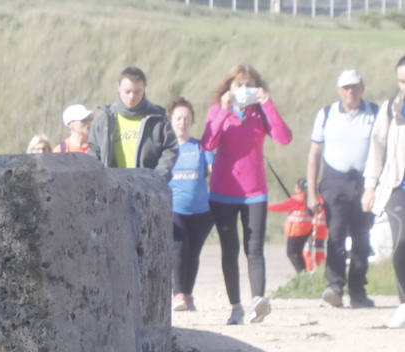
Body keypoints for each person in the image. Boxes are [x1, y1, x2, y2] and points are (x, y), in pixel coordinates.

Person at [202, 63, 293, 325]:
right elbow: (207, 143)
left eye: (248, 85)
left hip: (255, 192)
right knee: (229, 249)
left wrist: (268, 104)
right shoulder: (218, 111)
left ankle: (258, 302)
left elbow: (284, 138)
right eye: (238, 85)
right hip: (223, 192)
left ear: (257, 88)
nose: (243, 89)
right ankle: (235, 307)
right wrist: (223, 109)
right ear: (228, 88)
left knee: (254, 249)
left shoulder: (260, 113)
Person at [307, 69, 379, 308]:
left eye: (355, 86)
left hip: (364, 180)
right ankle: (335, 285)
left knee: (361, 236)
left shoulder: (374, 113)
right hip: (334, 180)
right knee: (336, 233)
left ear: (362, 88)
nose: (351, 91)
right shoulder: (326, 114)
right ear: (339, 90)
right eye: (346, 87)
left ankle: (358, 290)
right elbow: (314, 154)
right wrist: (311, 192)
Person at [363, 54, 405, 329]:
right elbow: (376, 148)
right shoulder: (391, 109)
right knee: (401, 243)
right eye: (402, 80)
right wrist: (370, 185)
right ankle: (403, 303)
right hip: (398, 187)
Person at [88, 66, 179, 180]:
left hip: (148, 189)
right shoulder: (104, 120)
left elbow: (170, 149)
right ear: (119, 87)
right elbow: (93, 152)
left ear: (144, 88)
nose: (132, 96)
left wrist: (158, 178)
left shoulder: (158, 118)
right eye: (127, 91)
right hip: (113, 189)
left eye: (137, 92)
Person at [167, 97, 215, 312]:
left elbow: (214, 175)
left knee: (193, 252)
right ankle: (177, 293)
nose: (182, 122)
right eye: (178, 118)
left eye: (186, 118)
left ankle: (188, 293)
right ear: (171, 121)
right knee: (178, 248)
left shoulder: (201, 148)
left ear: (192, 121)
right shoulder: (165, 150)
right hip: (174, 209)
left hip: (201, 212)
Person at [267, 178, 328, 273]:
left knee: (291, 253)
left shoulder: (297, 199)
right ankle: (304, 273)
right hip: (307, 231)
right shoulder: (312, 198)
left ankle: (302, 273)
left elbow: (280, 207)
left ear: (298, 187)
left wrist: (266, 207)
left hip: (296, 231)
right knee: (299, 253)